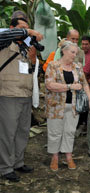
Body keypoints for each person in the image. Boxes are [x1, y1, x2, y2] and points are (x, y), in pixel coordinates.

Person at [0, 12, 43, 182]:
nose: (26, 32)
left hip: (25, 95)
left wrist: (33, 60)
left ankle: (18, 162)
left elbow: (37, 73)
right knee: (7, 134)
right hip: (8, 95)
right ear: (12, 28)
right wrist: (30, 32)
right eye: (22, 28)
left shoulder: (26, 48)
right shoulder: (4, 41)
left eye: (27, 28)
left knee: (22, 132)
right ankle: (5, 167)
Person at [45, 41, 90, 171]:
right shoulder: (53, 65)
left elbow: (84, 84)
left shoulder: (77, 67)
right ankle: (54, 158)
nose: (74, 55)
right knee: (55, 132)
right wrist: (69, 86)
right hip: (55, 106)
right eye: (72, 52)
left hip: (73, 106)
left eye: (76, 53)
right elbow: (50, 85)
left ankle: (68, 157)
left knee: (70, 132)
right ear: (64, 51)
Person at [76, 35, 90, 135]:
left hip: (89, 82)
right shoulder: (77, 53)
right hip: (77, 82)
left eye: (86, 44)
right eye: (83, 44)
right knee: (78, 103)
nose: (84, 46)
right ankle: (79, 123)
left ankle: (84, 124)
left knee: (86, 103)